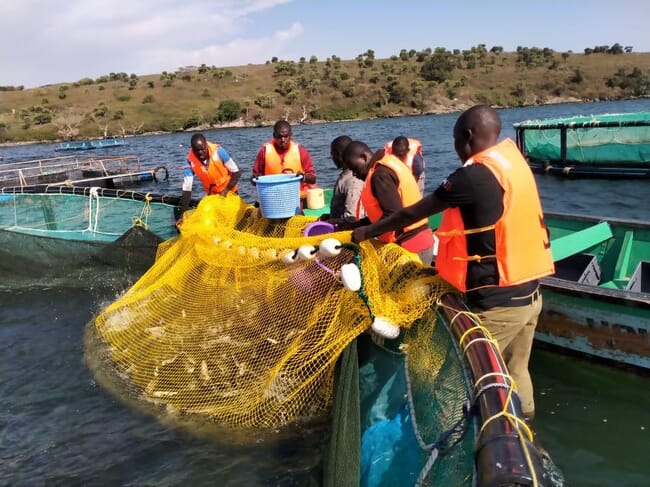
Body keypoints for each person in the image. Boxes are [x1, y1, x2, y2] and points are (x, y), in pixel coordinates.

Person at [351, 105, 555, 421]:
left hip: (496, 304)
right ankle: (525, 432)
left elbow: (410, 213)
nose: (455, 147)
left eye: (456, 139)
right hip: (530, 295)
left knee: (453, 377)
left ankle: (449, 444)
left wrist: (366, 231)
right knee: (516, 369)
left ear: (467, 137)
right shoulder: (512, 164)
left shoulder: (471, 176)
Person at [342, 140, 434, 265]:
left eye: (354, 168)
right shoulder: (386, 163)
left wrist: (366, 232)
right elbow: (387, 213)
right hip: (418, 241)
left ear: (364, 157)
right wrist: (359, 224)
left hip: (412, 247)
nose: (354, 174)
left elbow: (394, 216)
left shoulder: (380, 175)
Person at [179, 133, 241, 218]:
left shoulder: (219, 151)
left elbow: (236, 173)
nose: (200, 153)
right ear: (192, 149)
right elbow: (187, 189)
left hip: (230, 192)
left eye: (202, 149)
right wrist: (182, 214)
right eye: (197, 150)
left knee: (233, 217)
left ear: (206, 146)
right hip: (213, 196)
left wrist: (225, 191)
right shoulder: (189, 161)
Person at [252, 120, 317, 200]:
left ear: (291, 135)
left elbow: (313, 179)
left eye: (286, 136)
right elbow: (255, 178)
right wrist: (255, 179)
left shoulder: (301, 151)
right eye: (279, 136)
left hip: (297, 199)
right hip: (273, 199)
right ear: (274, 136)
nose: (283, 139)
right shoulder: (264, 151)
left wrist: (303, 177)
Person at [319, 135, 364, 224]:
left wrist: (329, 222)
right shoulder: (344, 176)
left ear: (339, 155)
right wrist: (329, 216)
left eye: (332, 154)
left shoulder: (352, 181)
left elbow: (352, 218)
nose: (331, 157)